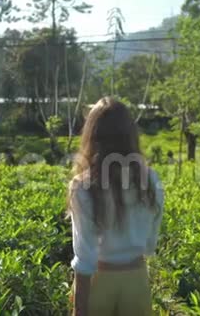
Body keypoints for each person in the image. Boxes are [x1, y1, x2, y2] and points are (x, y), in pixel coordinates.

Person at [67, 97, 165, 316]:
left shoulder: (83, 186)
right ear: (130, 135)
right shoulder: (150, 180)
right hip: (137, 282)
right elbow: (150, 245)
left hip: (99, 284)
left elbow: (84, 258)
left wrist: (78, 310)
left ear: (91, 135)